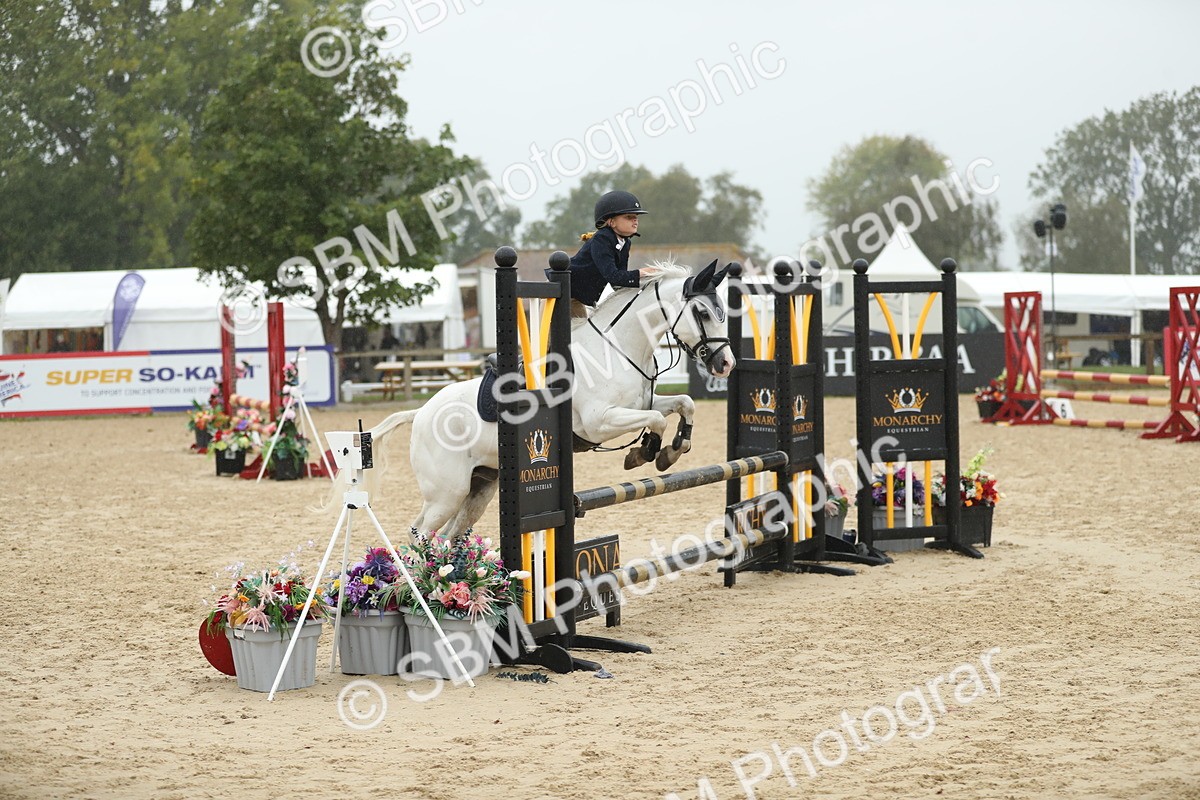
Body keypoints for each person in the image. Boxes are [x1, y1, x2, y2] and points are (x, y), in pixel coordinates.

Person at [563, 190, 659, 319]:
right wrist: (643, 273)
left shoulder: (625, 243)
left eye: (636, 216)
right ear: (611, 222)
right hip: (561, 293)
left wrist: (646, 286)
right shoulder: (601, 239)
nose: (635, 220)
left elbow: (619, 284)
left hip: (576, 298)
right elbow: (613, 276)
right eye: (629, 217)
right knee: (551, 339)